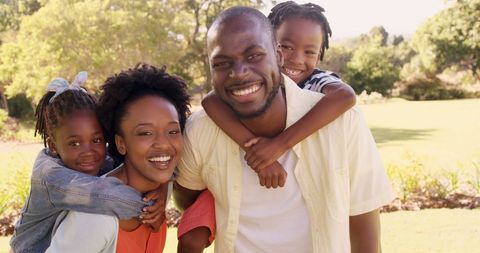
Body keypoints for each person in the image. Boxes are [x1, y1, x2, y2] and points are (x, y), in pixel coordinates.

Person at [174, 6, 395, 253]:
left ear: (277, 56)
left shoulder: (343, 123)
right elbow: (185, 198)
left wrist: (277, 146)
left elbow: (364, 230)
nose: (239, 73)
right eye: (222, 63)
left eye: (254, 56)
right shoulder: (202, 129)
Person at [9, 72, 166, 253]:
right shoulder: (51, 176)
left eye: (97, 140)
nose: (88, 151)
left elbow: (144, 164)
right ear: (53, 145)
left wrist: (161, 185)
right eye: (75, 143)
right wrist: (149, 208)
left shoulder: (97, 160)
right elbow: (104, 196)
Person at [46, 64, 191, 252]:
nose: (164, 144)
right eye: (146, 133)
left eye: (173, 131)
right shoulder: (97, 215)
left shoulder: (160, 186)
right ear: (121, 143)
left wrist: (163, 188)